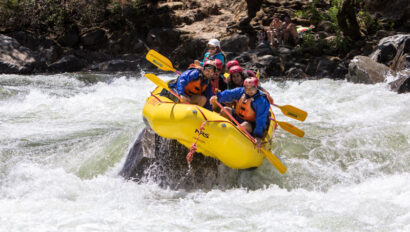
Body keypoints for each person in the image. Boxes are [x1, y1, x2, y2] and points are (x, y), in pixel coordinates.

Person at [209, 77, 271, 146]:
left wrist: (258, 136)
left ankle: (228, 137)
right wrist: (218, 97)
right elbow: (229, 93)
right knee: (225, 109)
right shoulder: (241, 91)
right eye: (246, 88)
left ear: (256, 87)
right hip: (240, 117)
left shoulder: (261, 101)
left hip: (253, 123)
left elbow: (261, 120)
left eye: (252, 88)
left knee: (244, 125)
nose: (249, 91)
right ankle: (217, 129)